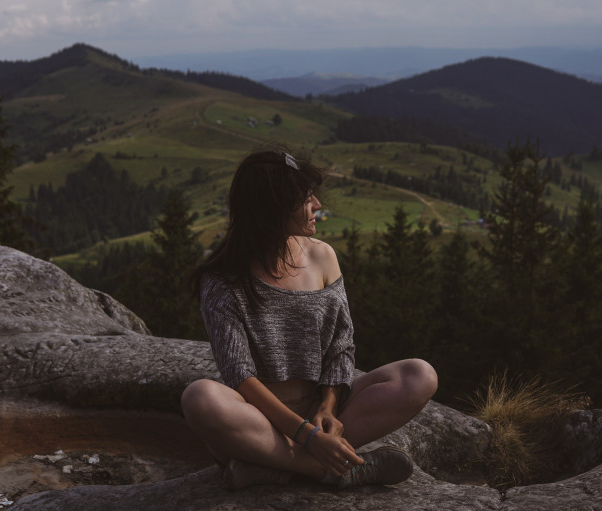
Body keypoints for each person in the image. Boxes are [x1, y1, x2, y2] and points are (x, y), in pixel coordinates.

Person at [181, 144, 438, 490]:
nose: (317, 205)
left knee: (419, 375)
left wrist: (328, 410)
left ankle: (271, 469)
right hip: (260, 422)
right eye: (306, 199)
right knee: (199, 398)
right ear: (272, 210)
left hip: (324, 412)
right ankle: (328, 470)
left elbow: (340, 348)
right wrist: (306, 436)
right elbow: (239, 375)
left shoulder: (322, 257)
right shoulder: (224, 279)